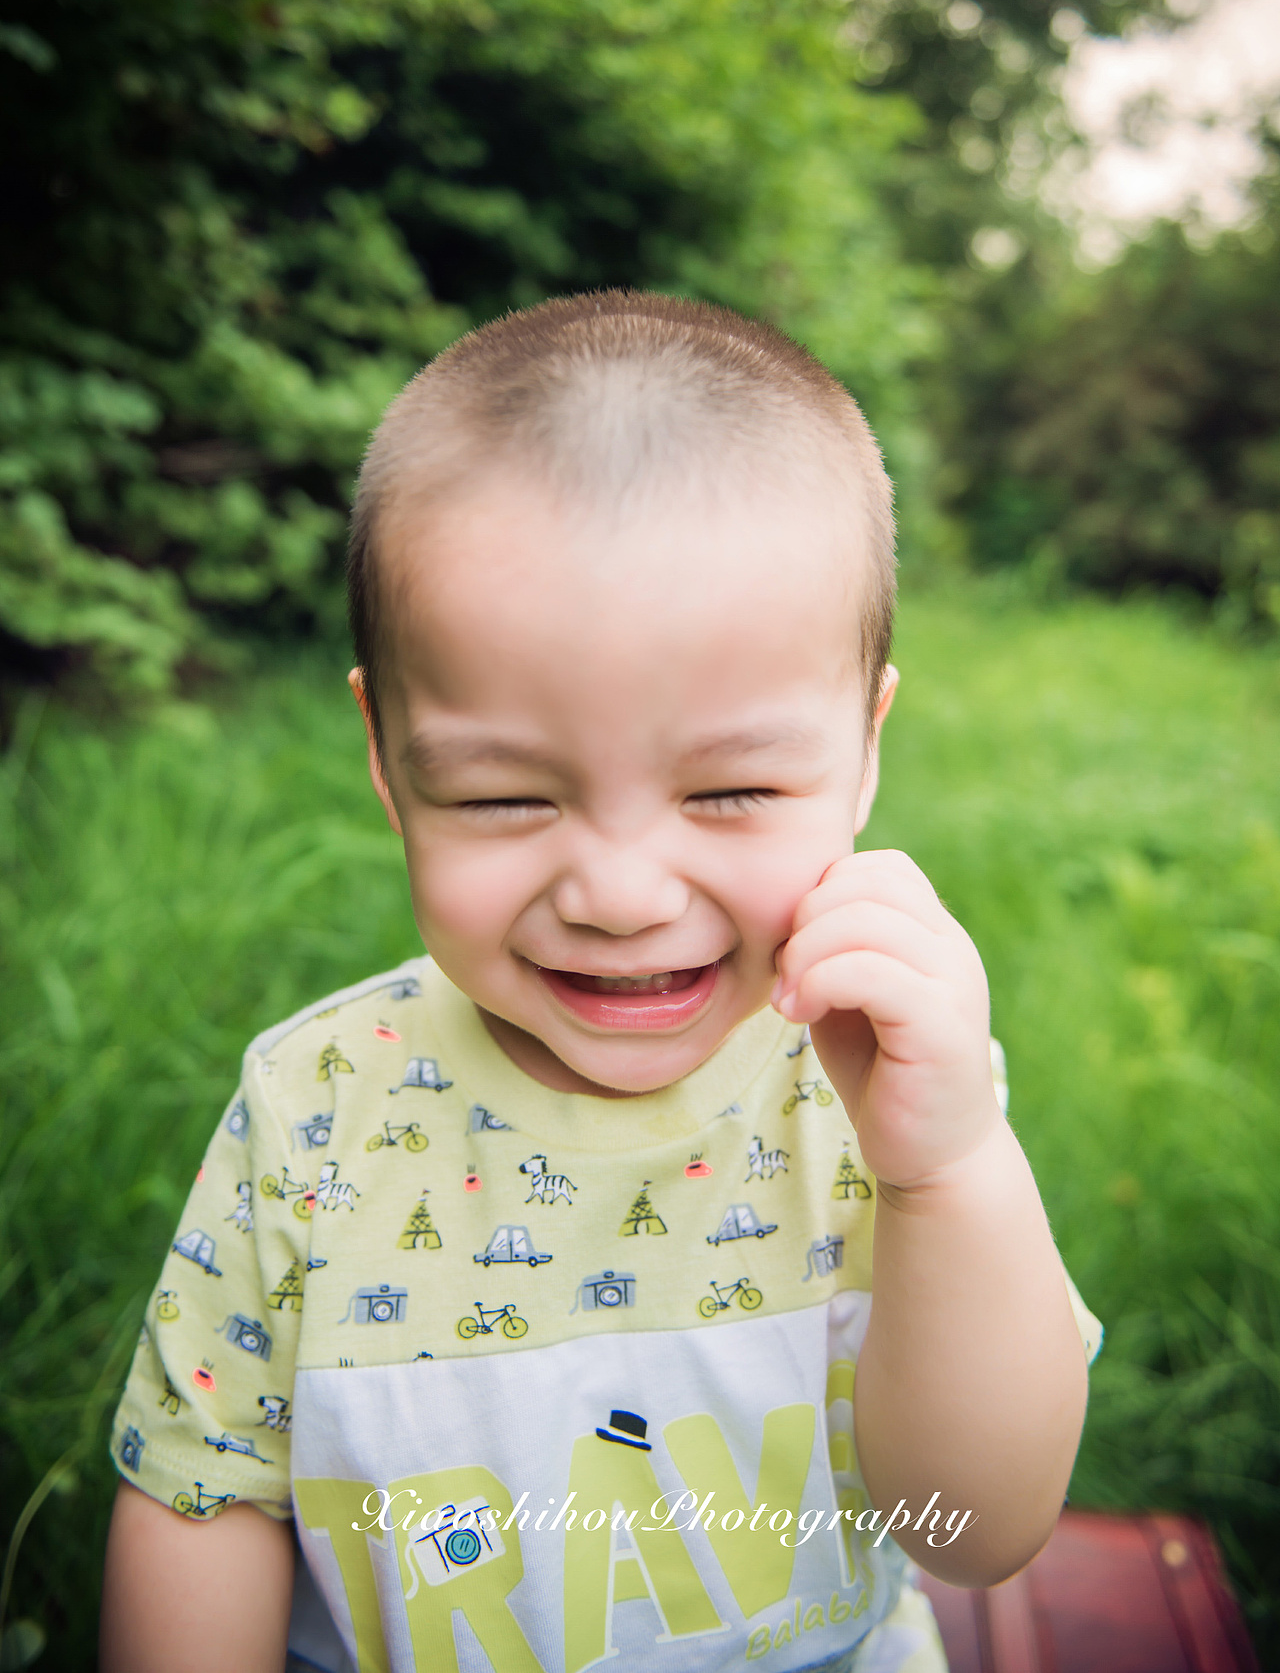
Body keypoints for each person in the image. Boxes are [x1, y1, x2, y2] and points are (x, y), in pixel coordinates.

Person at [100, 292, 1100, 1673]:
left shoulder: (884, 1089)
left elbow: (979, 1529)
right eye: (508, 796)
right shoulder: (319, 1106)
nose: (622, 893)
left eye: (735, 789)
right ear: (392, 762)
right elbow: (205, 1495)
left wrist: (947, 1172)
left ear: (864, 748)